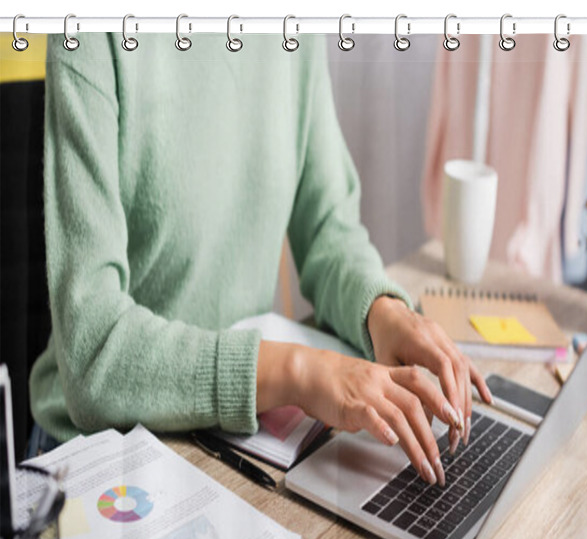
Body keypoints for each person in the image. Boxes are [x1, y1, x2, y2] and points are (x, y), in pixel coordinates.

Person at [28, 33, 491, 484]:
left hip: (229, 444)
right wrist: (302, 371)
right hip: (95, 457)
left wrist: (383, 312)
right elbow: (94, 356)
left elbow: (330, 228)